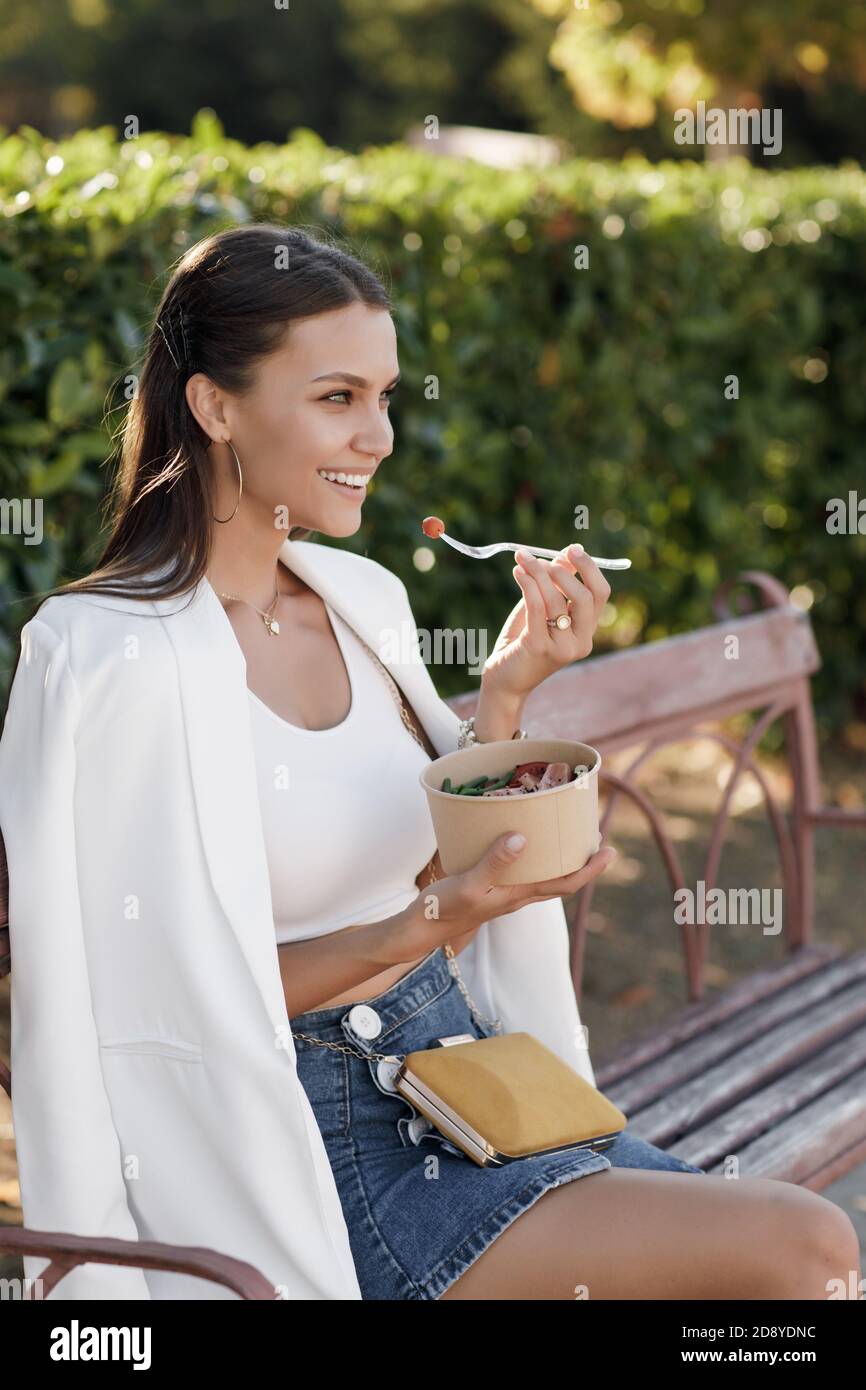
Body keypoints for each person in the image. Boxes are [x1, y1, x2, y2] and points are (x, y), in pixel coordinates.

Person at [0, 223, 859, 1301]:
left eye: (386, 395)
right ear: (215, 406)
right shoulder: (106, 654)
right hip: (311, 1141)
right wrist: (90, 1285)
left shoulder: (363, 602)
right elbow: (140, 1001)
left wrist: (506, 694)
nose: (379, 436)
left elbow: (431, 859)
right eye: (336, 397)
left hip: (468, 1080)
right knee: (806, 1251)